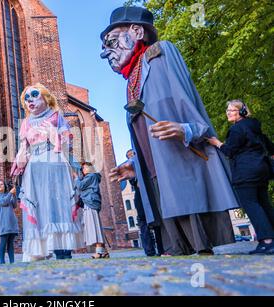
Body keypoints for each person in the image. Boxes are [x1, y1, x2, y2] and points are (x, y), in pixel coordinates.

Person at [100, 6, 238, 256]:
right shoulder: (132, 76)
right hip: (155, 162)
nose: (105, 51)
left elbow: (187, 100)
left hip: (179, 153)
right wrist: (135, 166)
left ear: (137, 31)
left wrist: (186, 129)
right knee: (163, 197)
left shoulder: (159, 52)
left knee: (183, 193)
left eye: (111, 40)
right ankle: (177, 245)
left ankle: (199, 244)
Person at [10, 83, 83, 262]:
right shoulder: (26, 123)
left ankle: (62, 247)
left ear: (45, 97)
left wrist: (54, 134)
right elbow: (23, 146)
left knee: (58, 201)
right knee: (40, 203)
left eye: (34, 95)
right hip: (34, 167)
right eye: (26, 98)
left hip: (55, 161)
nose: (30, 101)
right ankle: (40, 249)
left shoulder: (56, 116)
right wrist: (20, 158)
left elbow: (67, 142)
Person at [208, 100, 274, 255]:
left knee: (251, 204)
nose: (228, 113)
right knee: (264, 204)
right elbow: (270, 146)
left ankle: (267, 241)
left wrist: (216, 143)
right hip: (261, 170)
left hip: (246, 173)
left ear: (242, 112)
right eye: (227, 110)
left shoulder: (237, 129)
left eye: (232, 110)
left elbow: (229, 151)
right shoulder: (254, 126)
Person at [126, 149, 163, 256]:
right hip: (140, 194)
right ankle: (149, 251)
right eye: (129, 156)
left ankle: (162, 249)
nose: (132, 156)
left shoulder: (145, 163)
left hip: (151, 190)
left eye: (133, 153)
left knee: (157, 220)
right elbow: (132, 180)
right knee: (142, 220)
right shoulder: (130, 169)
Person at [75, 162, 109, 259]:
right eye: (83, 168)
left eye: (85, 168)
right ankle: (104, 251)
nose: (83, 170)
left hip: (90, 202)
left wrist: (76, 178)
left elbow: (80, 186)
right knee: (95, 226)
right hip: (90, 202)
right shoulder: (91, 177)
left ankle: (99, 252)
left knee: (94, 227)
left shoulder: (91, 176)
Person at [0, 181, 19, 264]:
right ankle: (2, 262)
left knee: (10, 242)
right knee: (3, 241)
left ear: (4, 186)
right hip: (3, 221)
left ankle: (12, 262)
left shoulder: (9, 194)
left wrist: (14, 194)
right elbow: (3, 202)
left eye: (1, 184)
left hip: (11, 220)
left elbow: (14, 205)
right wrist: (10, 193)